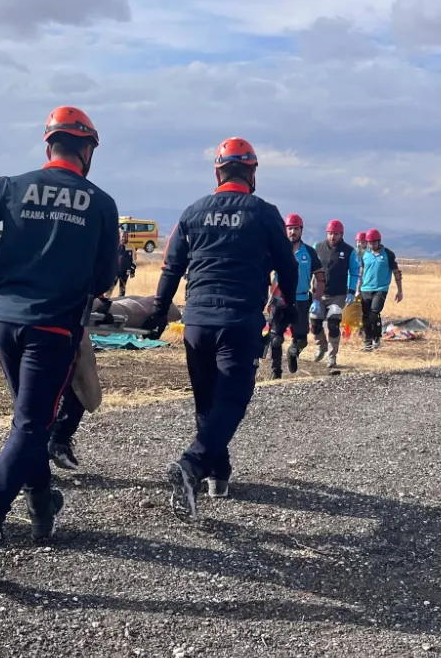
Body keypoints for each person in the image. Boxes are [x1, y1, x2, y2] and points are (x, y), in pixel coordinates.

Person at [0, 106, 119, 583]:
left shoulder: (10, 186)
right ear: (87, 150)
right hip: (53, 327)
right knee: (31, 424)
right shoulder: (99, 202)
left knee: (29, 417)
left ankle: (42, 505)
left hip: (5, 320)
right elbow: (104, 278)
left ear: (48, 146)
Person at [141, 138, 298, 515]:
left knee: (208, 401)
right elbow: (288, 267)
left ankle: (218, 473)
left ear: (218, 172)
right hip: (238, 320)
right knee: (234, 396)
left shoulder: (193, 212)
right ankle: (192, 464)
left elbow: (170, 268)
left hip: (196, 322)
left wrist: (160, 310)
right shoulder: (263, 212)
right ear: (252, 172)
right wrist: (287, 304)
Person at [268, 213, 325, 379]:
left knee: (301, 340)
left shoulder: (310, 253)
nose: (292, 232)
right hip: (281, 299)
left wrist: (316, 300)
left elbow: (320, 278)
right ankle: (275, 373)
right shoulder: (277, 251)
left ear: (301, 230)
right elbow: (266, 274)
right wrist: (269, 297)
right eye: (290, 228)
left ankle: (293, 352)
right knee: (275, 338)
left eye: (296, 229)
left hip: (301, 300)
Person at [312, 220, 360, 368]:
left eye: (336, 234)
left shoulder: (349, 251)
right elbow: (310, 268)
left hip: (338, 295)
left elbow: (354, 272)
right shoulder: (317, 247)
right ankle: (321, 346)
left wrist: (351, 291)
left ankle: (332, 357)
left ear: (342, 235)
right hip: (318, 294)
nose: (333, 237)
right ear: (327, 233)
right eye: (330, 233)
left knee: (333, 324)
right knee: (315, 324)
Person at [357, 228, 403, 351]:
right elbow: (361, 273)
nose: (371, 245)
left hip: (381, 289)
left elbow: (396, 273)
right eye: (369, 243)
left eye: (373, 242)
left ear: (379, 241)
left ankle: (376, 338)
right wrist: (357, 290)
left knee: (374, 313)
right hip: (365, 288)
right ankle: (368, 343)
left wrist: (400, 291)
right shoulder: (365, 255)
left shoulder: (388, 254)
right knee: (365, 316)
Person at [115, 230, 136, 297]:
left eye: (125, 236)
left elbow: (134, 260)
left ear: (127, 237)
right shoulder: (115, 245)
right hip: (115, 271)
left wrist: (132, 271)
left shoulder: (131, 247)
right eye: (122, 236)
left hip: (125, 272)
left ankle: (120, 302)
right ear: (120, 237)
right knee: (109, 288)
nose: (123, 238)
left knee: (122, 289)